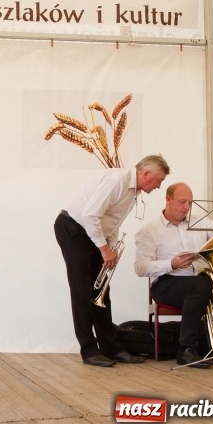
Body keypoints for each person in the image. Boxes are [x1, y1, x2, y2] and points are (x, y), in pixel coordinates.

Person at [54, 154, 170, 367]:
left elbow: (112, 223)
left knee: (102, 293)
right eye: (159, 180)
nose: (159, 186)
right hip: (74, 228)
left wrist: (111, 249)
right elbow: (90, 215)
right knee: (82, 292)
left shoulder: (133, 192)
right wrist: (104, 248)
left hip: (92, 233)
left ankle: (111, 348)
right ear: (146, 174)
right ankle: (89, 351)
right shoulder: (117, 180)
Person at [134, 182, 213, 369]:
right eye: (182, 202)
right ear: (168, 199)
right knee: (201, 285)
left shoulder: (201, 222)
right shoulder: (148, 230)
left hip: (201, 282)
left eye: (190, 203)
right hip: (167, 284)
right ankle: (186, 350)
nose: (187, 207)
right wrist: (171, 263)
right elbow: (140, 267)